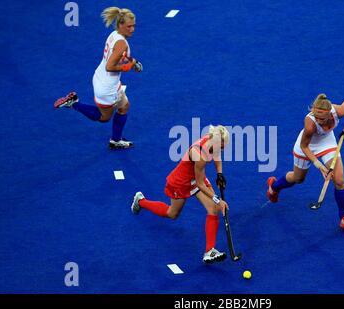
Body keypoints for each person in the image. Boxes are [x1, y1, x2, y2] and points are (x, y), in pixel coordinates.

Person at [131, 125, 230, 263]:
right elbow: (201, 184)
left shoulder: (213, 141)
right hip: (181, 182)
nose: (223, 149)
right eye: (222, 146)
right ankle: (141, 201)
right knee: (173, 214)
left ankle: (209, 251)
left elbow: (216, 155)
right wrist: (218, 199)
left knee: (213, 208)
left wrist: (219, 174)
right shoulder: (199, 154)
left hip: (196, 177)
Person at [54, 7, 143, 149]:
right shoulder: (122, 43)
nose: (132, 29)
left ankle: (115, 140)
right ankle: (74, 103)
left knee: (124, 106)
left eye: (134, 26)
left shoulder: (114, 35)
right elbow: (110, 66)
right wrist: (126, 67)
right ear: (120, 25)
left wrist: (134, 62)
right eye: (129, 26)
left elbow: (122, 56)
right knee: (104, 118)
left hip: (104, 78)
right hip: (107, 86)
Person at [266, 94, 344, 230]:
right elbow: (304, 146)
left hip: (326, 142)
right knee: (298, 179)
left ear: (329, 113)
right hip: (306, 146)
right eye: (317, 117)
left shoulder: (338, 111)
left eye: (322, 118)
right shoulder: (310, 124)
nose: (319, 121)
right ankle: (274, 186)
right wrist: (319, 166)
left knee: (339, 180)